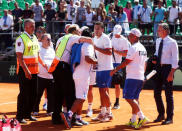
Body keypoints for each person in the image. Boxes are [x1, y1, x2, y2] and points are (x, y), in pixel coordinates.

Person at [48, 24, 94, 125]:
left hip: (56, 66)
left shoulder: (61, 38)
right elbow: (88, 40)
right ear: (74, 31)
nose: (79, 33)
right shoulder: (73, 37)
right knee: (70, 93)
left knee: (58, 94)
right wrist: (95, 44)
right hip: (64, 67)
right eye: (78, 31)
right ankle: (71, 118)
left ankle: (55, 118)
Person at [110, 28, 149, 129]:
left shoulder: (133, 48)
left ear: (135, 37)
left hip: (132, 76)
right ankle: (133, 120)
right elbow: (145, 63)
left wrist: (115, 70)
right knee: (135, 99)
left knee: (128, 97)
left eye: (130, 35)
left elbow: (126, 62)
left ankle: (142, 116)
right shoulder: (143, 48)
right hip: (139, 76)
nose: (128, 37)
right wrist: (143, 75)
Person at [61, 28, 97, 128]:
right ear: (91, 36)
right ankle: (69, 115)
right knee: (81, 98)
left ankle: (78, 117)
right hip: (83, 74)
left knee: (79, 97)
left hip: (77, 73)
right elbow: (88, 58)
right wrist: (96, 62)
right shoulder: (88, 45)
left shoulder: (77, 45)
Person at [15, 19, 47, 124]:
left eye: (34, 26)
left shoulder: (34, 38)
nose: (34, 28)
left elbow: (37, 55)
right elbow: (20, 57)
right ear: (25, 27)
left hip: (35, 71)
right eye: (31, 26)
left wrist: (43, 64)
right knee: (24, 94)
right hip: (25, 71)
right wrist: (26, 70)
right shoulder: (21, 39)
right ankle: (19, 116)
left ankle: (28, 114)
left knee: (33, 94)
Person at [152, 23, 179, 125]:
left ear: (165, 31)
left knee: (168, 94)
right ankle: (161, 114)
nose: (157, 32)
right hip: (159, 68)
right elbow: (156, 53)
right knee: (156, 93)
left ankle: (169, 117)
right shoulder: (158, 41)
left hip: (168, 69)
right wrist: (154, 58)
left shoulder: (173, 42)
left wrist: (171, 73)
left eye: (159, 30)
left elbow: (175, 59)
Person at [91, 22, 113, 122]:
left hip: (106, 68)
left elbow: (109, 52)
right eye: (95, 28)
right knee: (101, 90)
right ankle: (103, 112)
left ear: (103, 29)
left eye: (98, 29)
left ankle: (109, 113)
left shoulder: (106, 38)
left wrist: (96, 48)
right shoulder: (94, 39)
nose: (96, 30)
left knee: (104, 90)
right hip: (99, 68)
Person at [32, 33, 55, 116]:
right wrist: (45, 66)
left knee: (51, 95)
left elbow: (54, 61)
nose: (49, 41)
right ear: (41, 41)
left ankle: (50, 110)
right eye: (47, 39)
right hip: (40, 76)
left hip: (51, 76)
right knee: (38, 94)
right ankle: (35, 110)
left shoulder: (52, 49)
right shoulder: (39, 48)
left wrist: (52, 69)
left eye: (50, 39)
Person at [111, 25, 130, 109]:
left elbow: (126, 54)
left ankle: (117, 101)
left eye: (118, 33)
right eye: (115, 33)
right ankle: (106, 102)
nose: (116, 35)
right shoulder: (109, 37)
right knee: (105, 84)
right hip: (107, 63)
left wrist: (115, 51)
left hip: (117, 63)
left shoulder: (124, 40)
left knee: (117, 84)